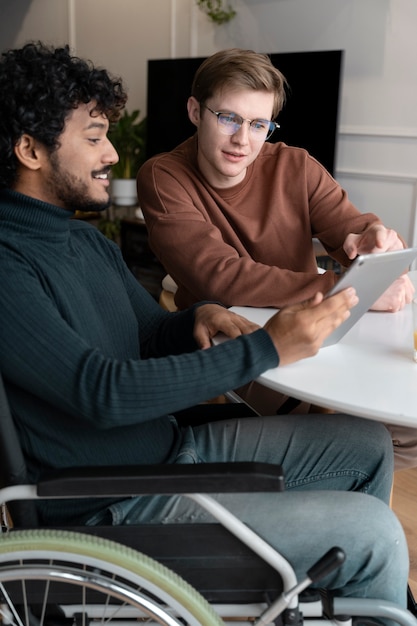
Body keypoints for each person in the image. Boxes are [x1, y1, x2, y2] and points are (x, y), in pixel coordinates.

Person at [0, 42, 409, 617]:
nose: (113, 153)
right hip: (116, 504)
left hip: (166, 451)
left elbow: (147, 334)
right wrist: (268, 348)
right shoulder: (7, 263)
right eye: (94, 137)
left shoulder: (83, 238)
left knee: (366, 446)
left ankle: (324, 601)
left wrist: (197, 317)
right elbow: (100, 392)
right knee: (374, 533)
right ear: (29, 150)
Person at [137, 47, 416, 460]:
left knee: (398, 425)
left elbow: (350, 227)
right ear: (196, 111)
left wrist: (372, 239)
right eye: (228, 117)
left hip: (324, 332)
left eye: (258, 124)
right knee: (366, 431)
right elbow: (219, 276)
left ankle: (344, 485)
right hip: (241, 343)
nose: (242, 139)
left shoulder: (295, 165)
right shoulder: (163, 177)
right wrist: (346, 289)